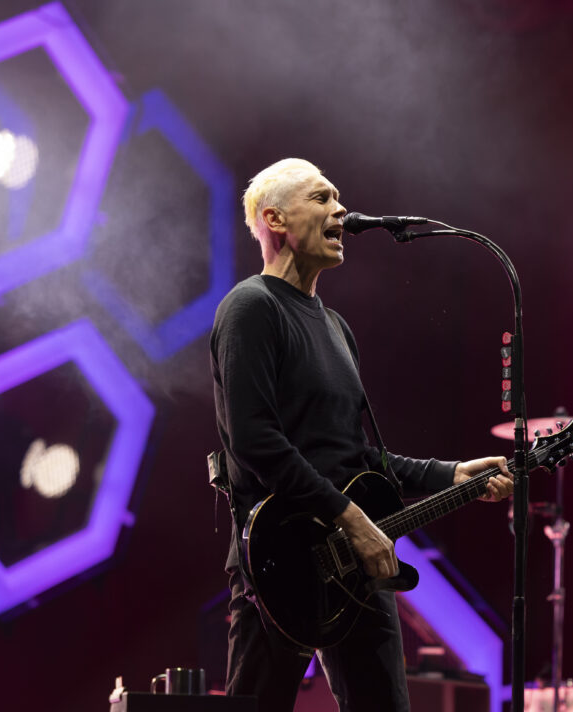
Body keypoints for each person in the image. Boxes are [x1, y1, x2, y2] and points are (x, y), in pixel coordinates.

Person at [210, 158, 514, 712]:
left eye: (338, 198)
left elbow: (357, 457)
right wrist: (352, 518)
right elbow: (254, 441)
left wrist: (452, 473)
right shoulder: (250, 308)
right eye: (322, 198)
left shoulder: (335, 327)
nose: (341, 210)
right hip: (277, 558)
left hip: (353, 558)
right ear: (275, 218)